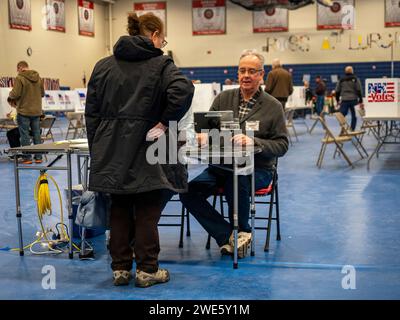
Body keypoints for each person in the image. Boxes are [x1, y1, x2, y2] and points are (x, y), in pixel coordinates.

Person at [85, 12, 194, 288]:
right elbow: (183, 90)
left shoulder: (102, 66)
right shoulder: (161, 64)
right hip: (148, 145)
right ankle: (147, 270)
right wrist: (165, 122)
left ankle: (120, 268)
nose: (163, 43)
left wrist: (97, 146)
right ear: (155, 35)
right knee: (146, 208)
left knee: (119, 206)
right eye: (163, 38)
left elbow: (92, 112)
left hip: (111, 147)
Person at [180, 49, 289, 259]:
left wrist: (254, 141)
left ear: (261, 75)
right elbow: (208, 130)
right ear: (237, 74)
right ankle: (230, 235)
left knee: (237, 177)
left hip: (259, 169)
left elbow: (282, 145)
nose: (246, 75)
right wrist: (203, 137)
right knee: (187, 193)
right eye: (242, 70)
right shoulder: (223, 98)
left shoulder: (273, 106)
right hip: (220, 166)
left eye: (251, 71)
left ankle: (242, 230)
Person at [8, 61, 44, 164]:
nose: (17, 71)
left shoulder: (20, 78)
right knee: (37, 134)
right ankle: (38, 157)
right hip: (36, 111)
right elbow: (42, 93)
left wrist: (10, 94)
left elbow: (15, 94)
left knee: (24, 135)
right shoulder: (38, 77)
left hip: (24, 111)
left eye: (17, 69)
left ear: (20, 68)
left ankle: (27, 158)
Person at [335, 66, 363, 131]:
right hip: (354, 100)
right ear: (352, 71)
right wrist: (360, 99)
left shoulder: (341, 80)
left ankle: (343, 128)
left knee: (342, 115)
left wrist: (337, 100)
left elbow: (337, 91)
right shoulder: (356, 79)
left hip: (344, 100)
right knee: (354, 115)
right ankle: (352, 129)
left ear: (345, 71)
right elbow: (359, 89)